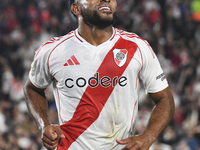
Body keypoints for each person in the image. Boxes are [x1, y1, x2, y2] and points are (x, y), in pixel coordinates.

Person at [24, 0, 175, 149]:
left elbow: (165, 99)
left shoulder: (137, 47)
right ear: (76, 8)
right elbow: (32, 88)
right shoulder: (52, 51)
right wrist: (44, 124)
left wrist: (148, 136)